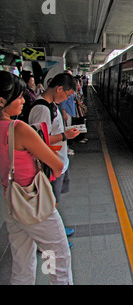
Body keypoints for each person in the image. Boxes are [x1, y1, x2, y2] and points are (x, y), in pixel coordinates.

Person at [0, 70, 73, 284]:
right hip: (34, 203)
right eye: (19, 97)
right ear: (2, 100)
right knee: (58, 257)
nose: (24, 101)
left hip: (10, 201)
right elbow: (57, 165)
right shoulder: (19, 128)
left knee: (22, 262)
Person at [28, 73, 80, 238]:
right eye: (67, 95)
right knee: (49, 202)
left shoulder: (51, 106)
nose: (66, 99)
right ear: (59, 89)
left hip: (58, 160)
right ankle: (51, 236)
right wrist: (65, 136)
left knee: (53, 200)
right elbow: (37, 140)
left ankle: (56, 230)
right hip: (50, 164)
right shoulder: (42, 109)